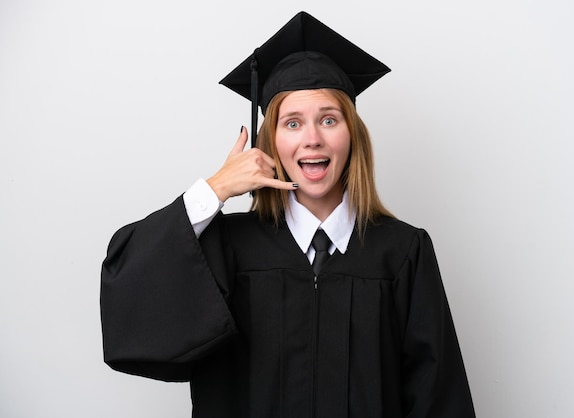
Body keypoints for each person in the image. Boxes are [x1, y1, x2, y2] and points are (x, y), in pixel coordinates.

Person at [100, 11, 475, 418]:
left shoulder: (403, 253)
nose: (312, 139)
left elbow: (439, 399)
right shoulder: (227, 247)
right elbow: (130, 292)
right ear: (270, 142)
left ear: (353, 136)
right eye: (292, 123)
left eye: (328, 120)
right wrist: (216, 188)